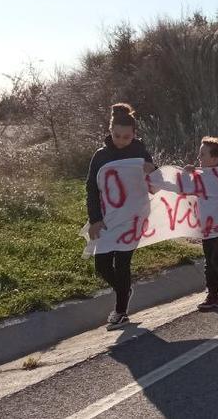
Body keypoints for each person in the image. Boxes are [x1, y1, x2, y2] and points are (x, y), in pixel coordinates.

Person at [85, 103, 156, 330]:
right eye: (117, 135)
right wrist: (95, 219)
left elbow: (155, 178)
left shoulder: (140, 151)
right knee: (102, 264)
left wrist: (151, 168)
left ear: (134, 134)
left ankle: (121, 311)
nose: (121, 140)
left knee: (123, 263)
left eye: (127, 137)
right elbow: (91, 188)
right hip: (108, 217)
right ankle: (124, 290)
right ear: (110, 130)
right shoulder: (100, 156)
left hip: (133, 217)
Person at [186, 136, 218, 310]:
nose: (199, 158)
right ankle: (212, 294)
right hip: (207, 225)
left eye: (203, 154)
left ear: (215, 159)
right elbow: (185, 187)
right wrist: (190, 174)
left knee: (217, 257)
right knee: (209, 260)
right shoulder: (200, 176)